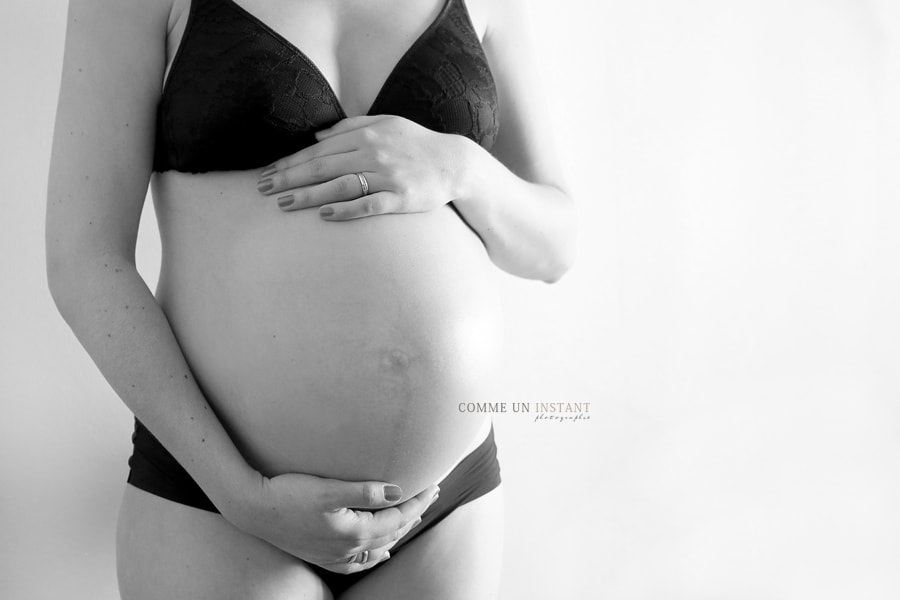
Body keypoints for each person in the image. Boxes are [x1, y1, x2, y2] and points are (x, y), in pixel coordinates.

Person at [46, 0, 576, 597]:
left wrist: (464, 169)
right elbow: (86, 259)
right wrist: (242, 496)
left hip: (445, 503)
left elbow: (555, 247)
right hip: (220, 501)